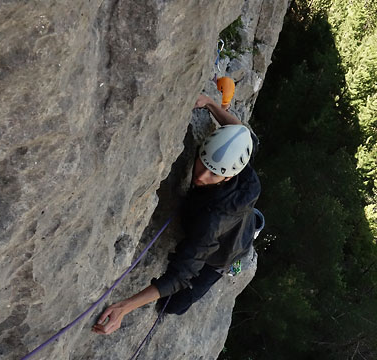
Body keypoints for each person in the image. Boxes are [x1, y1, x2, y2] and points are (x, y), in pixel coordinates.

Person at [93, 93, 261, 334]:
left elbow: (181, 275)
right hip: (237, 224)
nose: (202, 176)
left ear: (230, 175)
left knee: (172, 305)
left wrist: (124, 307)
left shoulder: (211, 220)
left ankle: (243, 253)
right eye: (203, 164)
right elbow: (239, 131)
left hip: (218, 259)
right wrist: (211, 105)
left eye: (214, 174)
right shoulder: (244, 168)